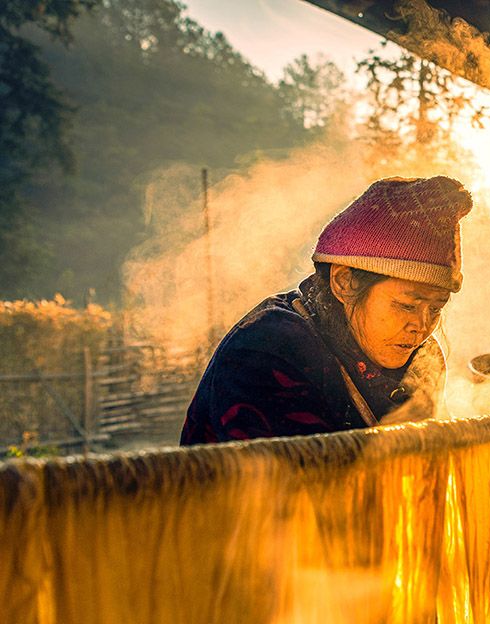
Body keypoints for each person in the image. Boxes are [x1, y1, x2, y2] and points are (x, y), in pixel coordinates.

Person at [180, 175, 473, 445]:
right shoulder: (267, 351)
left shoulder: (422, 359)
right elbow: (283, 490)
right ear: (344, 282)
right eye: (407, 305)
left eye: (436, 308)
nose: (421, 327)